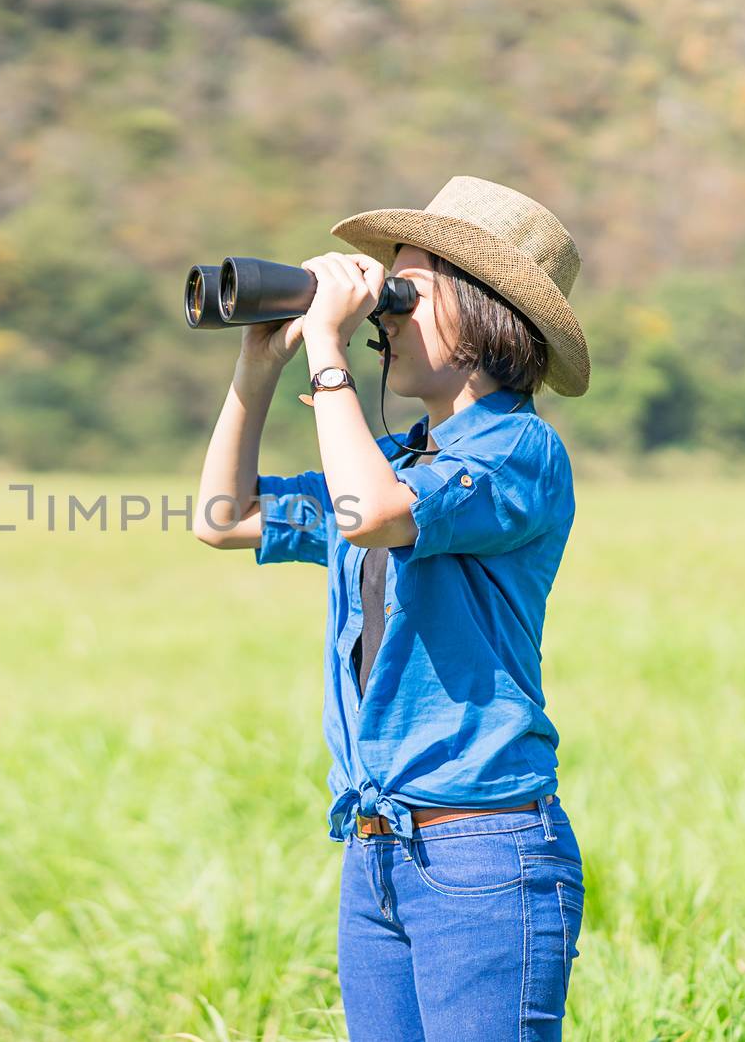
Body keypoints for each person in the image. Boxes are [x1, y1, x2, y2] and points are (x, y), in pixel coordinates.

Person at [193, 176, 590, 1040]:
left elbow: (372, 514)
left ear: (488, 315)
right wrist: (257, 369)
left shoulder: (523, 452)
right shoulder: (393, 459)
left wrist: (328, 355)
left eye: (407, 292)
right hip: (377, 848)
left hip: (484, 853)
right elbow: (222, 519)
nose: (385, 313)